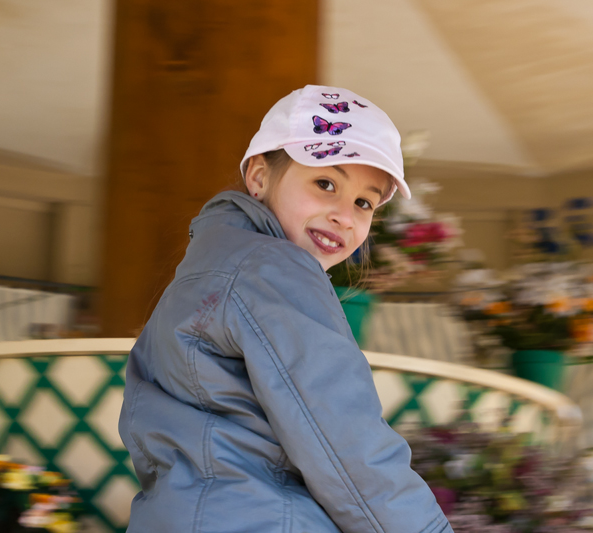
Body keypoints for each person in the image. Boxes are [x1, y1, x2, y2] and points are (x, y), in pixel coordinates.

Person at [118, 85, 453, 533]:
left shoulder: (207, 268)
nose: (344, 215)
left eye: (364, 202)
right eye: (325, 183)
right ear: (259, 176)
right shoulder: (274, 269)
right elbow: (347, 445)